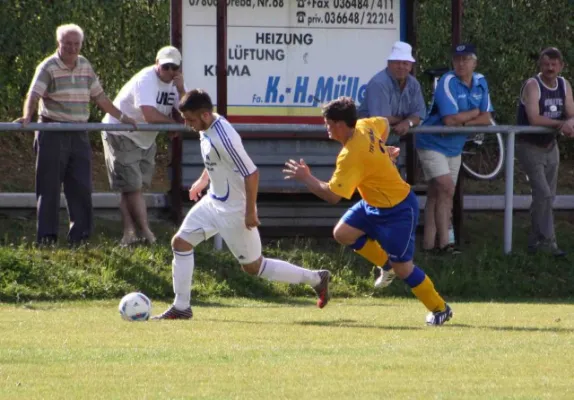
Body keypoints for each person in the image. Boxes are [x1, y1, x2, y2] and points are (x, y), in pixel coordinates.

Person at [152, 89, 331, 320]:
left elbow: (252, 173)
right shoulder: (205, 127)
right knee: (181, 242)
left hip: (235, 210)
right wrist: (203, 180)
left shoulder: (224, 137)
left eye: (191, 120)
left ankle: (316, 278)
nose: (188, 124)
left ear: (206, 115)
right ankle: (181, 306)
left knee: (253, 267)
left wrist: (249, 212)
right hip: (213, 202)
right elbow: (215, 160)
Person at [283, 96, 453, 326]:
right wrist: (382, 152)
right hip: (373, 204)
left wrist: (306, 177)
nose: (327, 128)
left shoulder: (351, 155)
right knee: (343, 233)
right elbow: (383, 123)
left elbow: (332, 196)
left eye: (329, 124)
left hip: (398, 209)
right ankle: (386, 265)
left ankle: (440, 308)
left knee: (405, 268)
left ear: (342, 125)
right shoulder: (363, 125)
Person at [13, 23, 135, 246]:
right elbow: (34, 94)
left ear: (81, 44)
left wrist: (124, 118)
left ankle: (80, 237)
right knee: (48, 187)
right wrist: (27, 117)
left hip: (79, 132)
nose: (72, 48)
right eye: (67, 43)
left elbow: (100, 98)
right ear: (59, 43)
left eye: (76, 44)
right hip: (52, 131)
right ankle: (47, 239)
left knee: (81, 186)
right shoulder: (48, 66)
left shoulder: (85, 65)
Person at [357, 41, 426, 290]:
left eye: (406, 63)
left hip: (391, 150)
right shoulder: (378, 83)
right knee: (377, 202)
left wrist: (408, 122)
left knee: (387, 202)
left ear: (410, 65)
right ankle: (387, 258)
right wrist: (406, 120)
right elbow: (380, 121)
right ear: (389, 63)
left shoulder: (413, 83)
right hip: (371, 149)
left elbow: (420, 112)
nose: (402, 66)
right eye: (398, 62)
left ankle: (389, 258)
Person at [101, 46, 186, 246]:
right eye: (166, 66)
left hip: (145, 138)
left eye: (175, 67)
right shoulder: (147, 79)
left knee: (130, 188)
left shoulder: (176, 84)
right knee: (133, 186)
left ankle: (129, 233)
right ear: (157, 64)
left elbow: (186, 110)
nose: (170, 71)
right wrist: (173, 125)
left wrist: (182, 90)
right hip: (121, 133)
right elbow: (149, 114)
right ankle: (147, 233)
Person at [416, 44, 493, 254]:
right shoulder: (447, 81)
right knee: (447, 188)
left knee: (436, 193)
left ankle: (428, 245)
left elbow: (487, 118)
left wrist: (465, 123)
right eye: (457, 59)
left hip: (454, 145)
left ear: (474, 62)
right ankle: (446, 244)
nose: (461, 63)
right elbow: (449, 120)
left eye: (466, 59)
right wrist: (473, 114)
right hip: (431, 142)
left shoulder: (481, 81)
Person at [516, 47, 574, 256]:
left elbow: (571, 113)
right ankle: (550, 243)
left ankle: (535, 240)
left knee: (547, 196)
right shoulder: (533, 86)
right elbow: (534, 118)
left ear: (561, 66)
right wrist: (561, 125)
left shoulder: (564, 85)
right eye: (546, 64)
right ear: (540, 65)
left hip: (551, 145)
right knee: (544, 194)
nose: (550, 68)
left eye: (554, 64)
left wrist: (570, 125)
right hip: (529, 145)